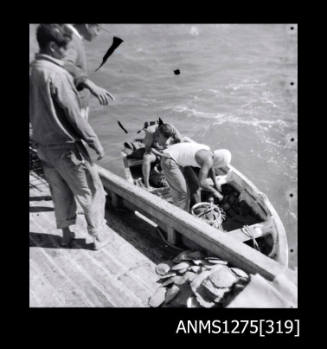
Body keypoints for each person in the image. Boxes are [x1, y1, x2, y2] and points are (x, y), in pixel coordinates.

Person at [29, 24, 108, 250]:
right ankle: (97, 238)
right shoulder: (58, 75)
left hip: (43, 145)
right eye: (64, 48)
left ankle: (66, 234)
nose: (66, 54)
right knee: (91, 191)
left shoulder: (33, 68)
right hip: (66, 147)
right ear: (53, 47)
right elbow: (74, 117)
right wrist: (94, 142)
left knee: (59, 190)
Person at [157, 126, 232, 211]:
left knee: (194, 185)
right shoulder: (208, 160)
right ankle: (182, 216)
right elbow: (202, 183)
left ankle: (198, 208)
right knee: (183, 193)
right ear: (220, 162)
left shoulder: (208, 151)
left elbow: (210, 169)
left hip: (177, 159)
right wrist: (215, 192)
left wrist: (215, 183)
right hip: (169, 160)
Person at [63, 23, 115, 120]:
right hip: (75, 106)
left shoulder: (74, 38)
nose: (98, 34)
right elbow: (66, 65)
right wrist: (92, 86)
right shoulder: (72, 40)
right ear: (87, 25)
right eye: (98, 29)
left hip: (75, 103)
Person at [142, 122, 183, 190]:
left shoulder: (173, 130)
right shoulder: (151, 132)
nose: (165, 142)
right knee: (146, 157)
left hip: (168, 151)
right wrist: (161, 154)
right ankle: (147, 185)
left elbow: (180, 145)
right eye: (163, 139)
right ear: (159, 135)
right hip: (155, 151)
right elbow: (148, 150)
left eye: (167, 139)